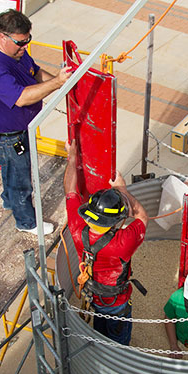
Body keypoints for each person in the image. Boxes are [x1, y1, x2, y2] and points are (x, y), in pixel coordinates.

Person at [64, 139, 148, 345]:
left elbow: (70, 189)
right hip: (115, 303)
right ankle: (117, 354)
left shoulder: (77, 228)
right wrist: (123, 189)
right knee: (118, 339)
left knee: (100, 328)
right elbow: (142, 217)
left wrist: (72, 157)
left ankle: (101, 344)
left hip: (93, 295)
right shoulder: (123, 241)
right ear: (116, 221)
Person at [0, 9, 72, 235]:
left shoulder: (18, 54)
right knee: (21, 179)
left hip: (21, 131)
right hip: (10, 136)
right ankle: (27, 222)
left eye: (28, 40)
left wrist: (63, 85)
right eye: (21, 42)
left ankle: (9, 201)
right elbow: (21, 98)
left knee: (12, 173)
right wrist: (57, 82)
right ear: (2, 37)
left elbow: (36, 72)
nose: (25, 47)